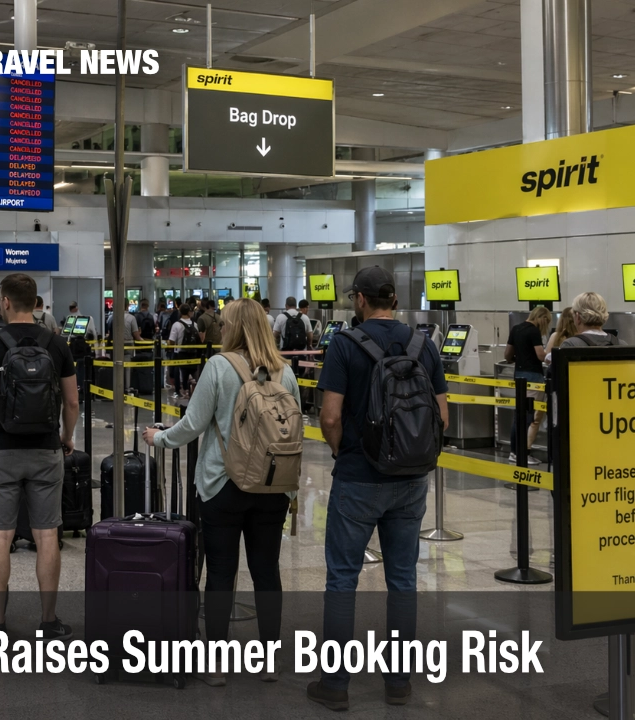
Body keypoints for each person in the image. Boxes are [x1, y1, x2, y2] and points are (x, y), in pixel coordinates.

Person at [308, 266, 449, 711]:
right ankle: (399, 683)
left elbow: (330, 416)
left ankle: (335, 685)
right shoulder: (424, 345)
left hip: (358, 478)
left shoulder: (345, 345)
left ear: (361, 300)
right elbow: (443, 418)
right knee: (403, 580)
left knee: (342, 579)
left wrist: (340, 452)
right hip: (411, 481)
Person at [143, 298, 298, 686]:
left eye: (226, 324)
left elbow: (193, 424)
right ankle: (268, 661)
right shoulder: (285, 372)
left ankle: (215, 664)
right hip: (272, 485)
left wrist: (158, 438)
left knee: (220, 574)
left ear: (233, 328)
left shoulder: (219, 366)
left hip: (222, 485)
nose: (221, 329)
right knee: (267, 572)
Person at [0, 272, 79, 643]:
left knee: (0, 536)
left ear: (4, 302)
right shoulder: (57, 344)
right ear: (36, 302)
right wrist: (66, 437)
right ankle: (48, 621)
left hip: (1, 449)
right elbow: (72, 401)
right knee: (47, 536)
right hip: (46, 449)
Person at [504, 305, 552, 466]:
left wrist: (519, 360)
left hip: (518, 375)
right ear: (542, 318)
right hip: (533, 377)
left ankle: (514, 451)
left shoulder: (516, 329)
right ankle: (521, 454)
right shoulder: (533, 331)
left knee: (519, 415)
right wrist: (550, 355)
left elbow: (507, 355)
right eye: (547, 321)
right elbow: (540, 355)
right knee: (528, 416)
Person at [167, 304, 200, 399]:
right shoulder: (195, 324)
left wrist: (170, 348)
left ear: (180, 312)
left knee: (181, 375)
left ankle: (180, 392)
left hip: (180, 353)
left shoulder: (177, 325)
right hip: (193, 354)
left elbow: (172, 340)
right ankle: (193, 391)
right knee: (194, 374)